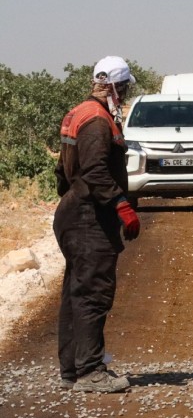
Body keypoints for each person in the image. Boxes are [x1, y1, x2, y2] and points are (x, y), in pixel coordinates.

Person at [54, 56, 142, 393]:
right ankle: (90, 371)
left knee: (76, 291)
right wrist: (121, 205)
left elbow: (63, 170)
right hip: (88, 216)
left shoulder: (79, 112)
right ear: (117, 87)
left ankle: (72, 370)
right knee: (93, 293)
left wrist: (72, 198)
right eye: (125, 87)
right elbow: (94, 169)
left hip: (75, 211)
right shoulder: (98, 120)